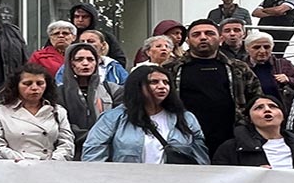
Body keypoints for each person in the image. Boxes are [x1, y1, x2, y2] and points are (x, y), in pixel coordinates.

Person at [166, 19, 262, 157]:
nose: (203, 37)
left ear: (221, 38)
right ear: (187, 41)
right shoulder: (171, 69)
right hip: (184, 138)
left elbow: (256, 99)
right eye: (196, 34)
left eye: (209, 33)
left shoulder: (238, 68)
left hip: (231, 138)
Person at [81, 65, 209, 164]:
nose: (162, 86)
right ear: (137, 86)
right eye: (154, 82)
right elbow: (93, 156)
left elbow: (201, 159)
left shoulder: (186, 118)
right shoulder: (113, 118)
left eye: (166, 82)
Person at [0, 63, 74, 161]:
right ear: (16, 86)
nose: (34, 88)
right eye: (27, 84)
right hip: (14, 166)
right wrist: (21, 160)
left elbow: (67, 143)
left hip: (50, 167)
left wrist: (54, 160)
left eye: (40, 83)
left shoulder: (58, 111)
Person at [59, 42, 122, 159]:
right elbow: (60, 123)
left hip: (106, 151)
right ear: (70, 63)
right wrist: (89, 136)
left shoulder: (113, 90)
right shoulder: (59, 92)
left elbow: (119, 120)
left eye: (90, 59)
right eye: (79, 59)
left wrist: (101, 137)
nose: (85, 63)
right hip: (72, 151)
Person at [245, 32, 294, 113]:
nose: (262, 50)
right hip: (251, 113)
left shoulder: (284, 64)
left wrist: (289, 80)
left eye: (266, 47)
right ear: (247, 48)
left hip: (280, 112)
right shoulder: (241, 67)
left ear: (272, 47)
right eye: (256, 47)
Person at [58, 30, 127, 86]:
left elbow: (126, 88)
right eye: (82, 41)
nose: (86, 44)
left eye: (90, 41)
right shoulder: (67, 66)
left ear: (102, 45)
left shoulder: (113, 66)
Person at [69, 2, 126, 66]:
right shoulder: (68, 37)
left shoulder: (106, 37)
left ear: (92, 18)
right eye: (76, 16)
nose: (80, 20)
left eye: (85, 17)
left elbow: (119, 61)